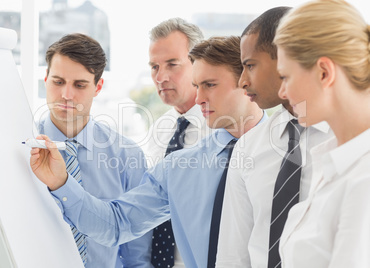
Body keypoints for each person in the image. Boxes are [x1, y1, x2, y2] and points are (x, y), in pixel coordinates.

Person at [29, 35, 266, 268]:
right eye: (196, 86)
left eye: (210, 85)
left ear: (248, 82)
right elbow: (116, 225)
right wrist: (62, 183)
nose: (198, 98)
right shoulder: (179, 167)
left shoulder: (290, 155)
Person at [0, 33, 153, 268]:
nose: (66, 95)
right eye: (58, 82)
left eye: (79, 85)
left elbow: (136, 257)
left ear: (98, 87)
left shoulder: (128, 156)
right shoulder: (12, 153)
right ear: (45, 79)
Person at [216, 6, 334, 268]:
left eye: (250, 66)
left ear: (284, 59)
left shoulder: (352, 140)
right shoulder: (248, 147)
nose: (242, 81)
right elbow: (232, 254)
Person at [273, 0, 370, 267]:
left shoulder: (364, 182)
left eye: (285, 77)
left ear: (324, 72)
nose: (282, 92)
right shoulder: (333, 164)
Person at [143, 18, 210, 267]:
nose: (161, 77)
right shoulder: (159, 130)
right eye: (154, 67)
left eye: (172, 64)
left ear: (199, 65)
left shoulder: (221, 131)